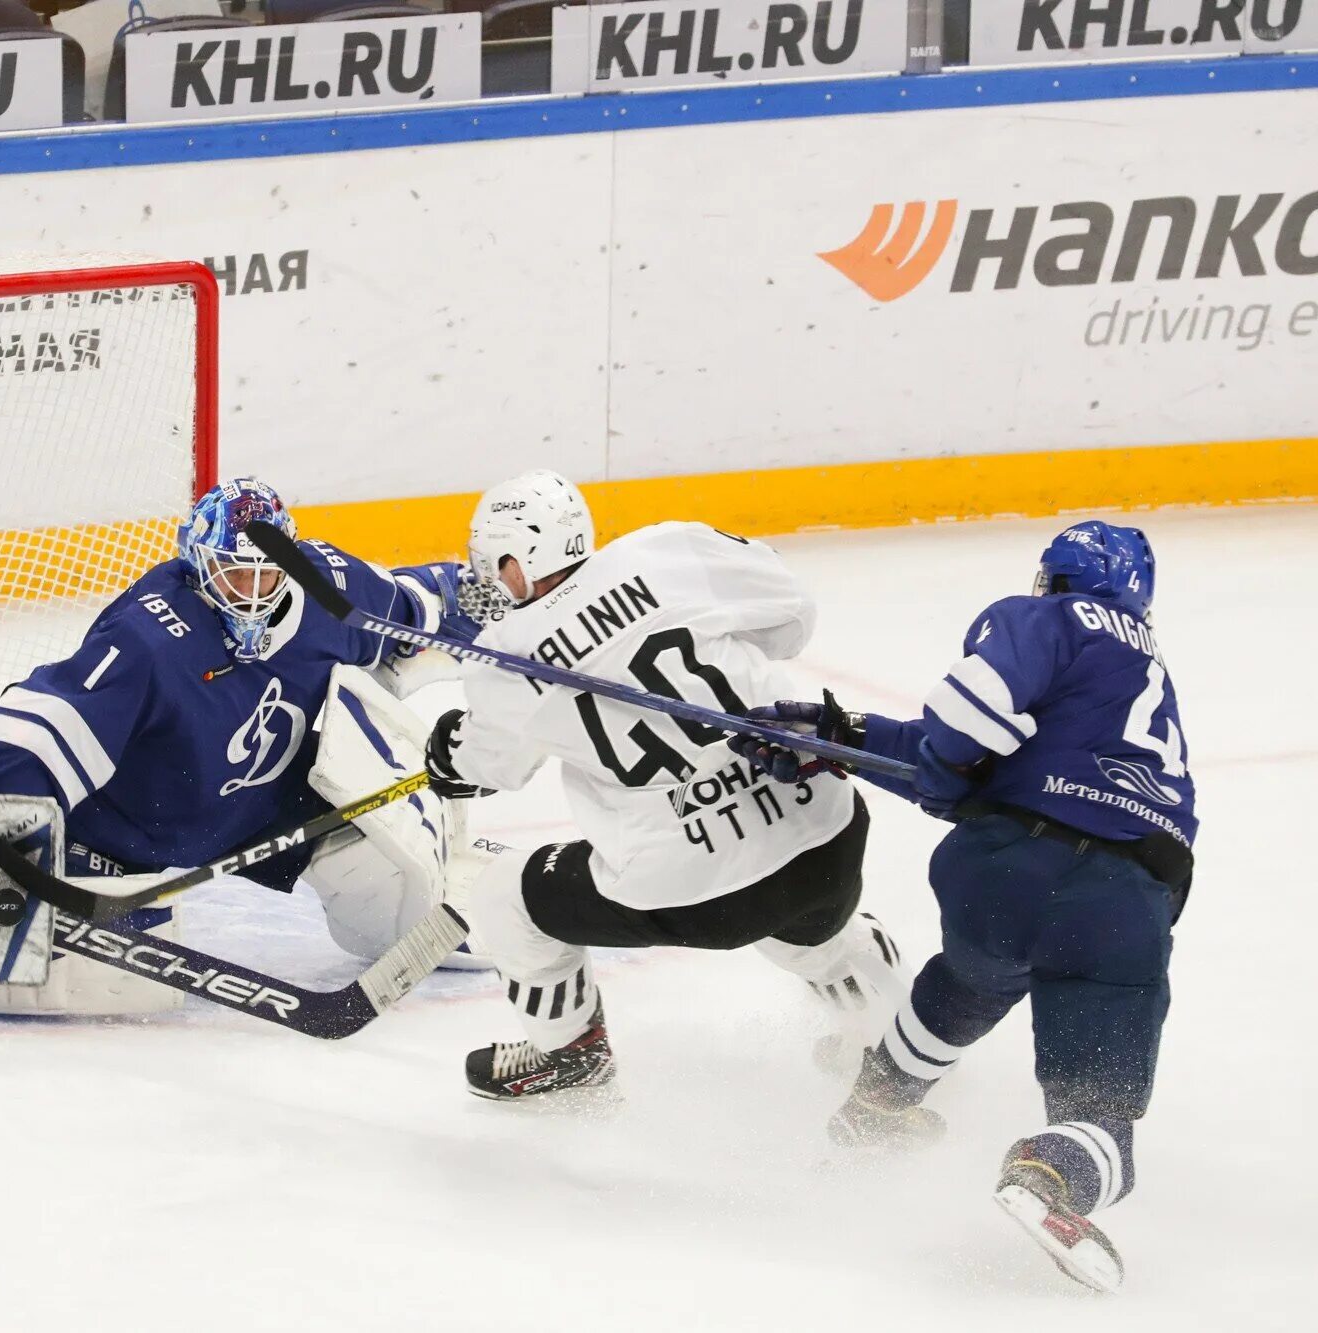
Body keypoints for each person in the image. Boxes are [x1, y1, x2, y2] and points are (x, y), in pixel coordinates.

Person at [0, 477, 496, 1016]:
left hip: (277, 812)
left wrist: (496, 603)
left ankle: (447, 868)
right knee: (128, 986)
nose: (257, 592)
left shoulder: (328, 585)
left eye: (271, 571)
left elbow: (417, 604)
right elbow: (27, 734)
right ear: (201, 566)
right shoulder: (149, 635)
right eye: (237, 575)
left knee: (397, 898)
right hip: (126, 834)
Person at [732, 520, 1195, 1293]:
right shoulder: (1140, 675)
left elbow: (961, 743)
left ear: (1052, 577)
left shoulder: (1044, 618)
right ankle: (1052, 1170)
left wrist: (839, 740)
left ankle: (879, 1103)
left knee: (976, 972)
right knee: (1099, 1112)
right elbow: (979, 756)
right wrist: (847, 735)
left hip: (997, 877)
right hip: (1123, 905)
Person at [421, 470, 905, 1101]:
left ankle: (572, 1057)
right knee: (815, 933)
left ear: (516, 559)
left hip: (690, 895)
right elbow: (792, 622)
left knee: (502, 900)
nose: (493, 581)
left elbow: (493, 770)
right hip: (825, 841)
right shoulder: (671, 550)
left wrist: (449, 747)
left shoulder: (505, 659)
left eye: (495, 564)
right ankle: (899, 1047)